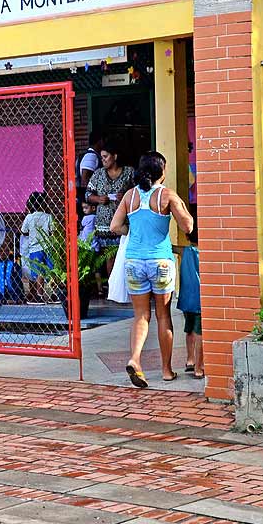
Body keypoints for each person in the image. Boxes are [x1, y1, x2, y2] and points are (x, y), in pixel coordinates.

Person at [110, 151, 194, 388]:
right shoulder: (166, 195)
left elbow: (115, 226)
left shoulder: (130, 196)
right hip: (161, 262)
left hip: (134, 262)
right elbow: (187, 226)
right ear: (162, 172)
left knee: (140, 316)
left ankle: (135, 359)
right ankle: (167, 371)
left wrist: (134, 232)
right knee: (163, 315)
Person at [86, 143, 135, 274]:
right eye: (101, 157)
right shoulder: (98, 174)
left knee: (126, 255)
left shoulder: (129, 173)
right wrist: (98, 199)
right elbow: (88, 194)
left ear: (115, 156)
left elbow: (139, 193)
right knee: (110, 256)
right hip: (104, 225)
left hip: (124, 223)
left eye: (105, 156)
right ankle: (113, 288)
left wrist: (125, 196)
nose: (103, 160)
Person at [177, 221, 202, 380]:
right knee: (200, 332)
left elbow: (170, 247)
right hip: (201, 299)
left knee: (189, 330)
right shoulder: (207, 252)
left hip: (187, 298)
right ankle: (199, 367)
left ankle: (190, 359)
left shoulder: (183, 250)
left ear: (186, 235)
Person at [21, 191, 54, 302]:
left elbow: (24, 231)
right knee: (51, 270)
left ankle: (40, 296)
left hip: (35, 249)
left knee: (39, 272)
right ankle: (54, 294)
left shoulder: (29, 217)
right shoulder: (48, 217)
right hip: (48, 247)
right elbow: (52, 231)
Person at [79, 131, 105, 200]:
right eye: (103, 140)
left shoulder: (94, 155)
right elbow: (84, 179)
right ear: (99, 141)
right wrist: (92, 195)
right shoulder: (91, 156)